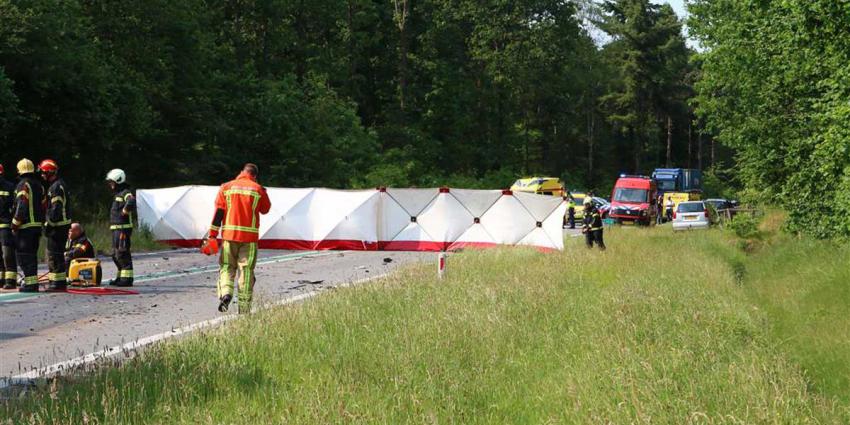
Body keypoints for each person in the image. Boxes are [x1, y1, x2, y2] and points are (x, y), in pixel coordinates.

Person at [207, 163, 271, 314]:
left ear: (241, 172)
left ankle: (226, 293)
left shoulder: (226, 187)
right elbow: (265, 209)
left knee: (227, 267)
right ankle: (244, 307)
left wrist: (212, 235)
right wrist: (261, 191)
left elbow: (219, 213)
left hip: (229, 237)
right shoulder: (258, 190)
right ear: (254, 176)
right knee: (246, 270)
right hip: (249, 240)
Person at [12, 159, 45, 292]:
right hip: (37, 227)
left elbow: (22, 206)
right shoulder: (39, 185)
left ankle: (31, 285)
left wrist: (14, 225)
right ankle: (32, 282)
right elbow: (44, 206)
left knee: (25, 256)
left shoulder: (22, 185)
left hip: (25, 228)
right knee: (32, 255)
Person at [40, 159, 71, 291]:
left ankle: (57, 284)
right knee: (56, 254)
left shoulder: (56, 187)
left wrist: (49, 224)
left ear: (49, 172)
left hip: (57, 227)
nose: (41, 175)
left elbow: (55, 210)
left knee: (54, 255)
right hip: (60, 226)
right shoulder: (58, 185)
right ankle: (56, 281)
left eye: (43, 172)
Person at [106, 169, 136, 287]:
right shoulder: (118, 194)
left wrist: (125, 210)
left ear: (118, 180)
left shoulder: (125, 192)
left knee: (122, 253)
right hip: (116, 229)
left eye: (112, 182)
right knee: (115, 254)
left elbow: (132, 200)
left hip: (123, 229)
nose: (110, 184)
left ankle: (127, 279)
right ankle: (121, 277)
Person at [0, 165, 16, 289]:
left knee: (7, 254)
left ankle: (10, 280)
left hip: (5, 225)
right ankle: (1, 279)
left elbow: (15, 206)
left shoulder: (9, 187)